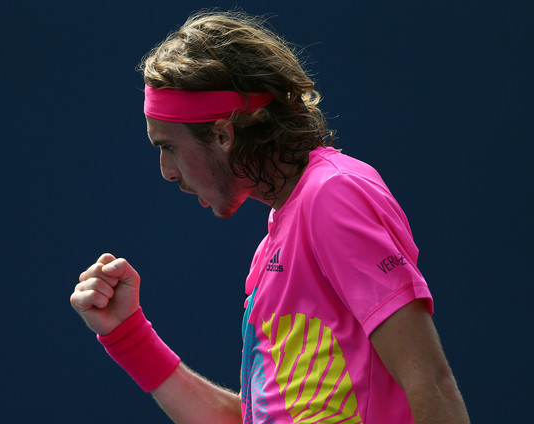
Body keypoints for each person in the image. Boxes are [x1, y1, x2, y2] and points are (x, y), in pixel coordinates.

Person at [70, 10, 470, 424]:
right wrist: (127, 335)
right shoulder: (279, 237)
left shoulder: (333, 195)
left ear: (224, 134)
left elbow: (431, 383)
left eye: (168, 146)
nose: (166, 171)